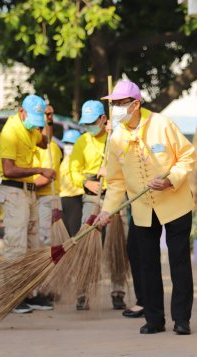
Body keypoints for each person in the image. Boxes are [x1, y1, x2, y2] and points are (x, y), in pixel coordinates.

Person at [95, 79, 195, 336]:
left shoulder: (162, 124)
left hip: (175, 203)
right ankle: (154, 319)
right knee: (147, 265)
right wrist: (107, 210)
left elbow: (187, 155)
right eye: (113, 104)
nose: (115, 108)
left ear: (136, 104)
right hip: (142, 209)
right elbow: (116, 181)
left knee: (179, 263)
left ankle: (182, 319)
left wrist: (170, 179)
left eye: (119, 103)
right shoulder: (116, 137)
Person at [0, 94, 56, 314]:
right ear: (21, 112)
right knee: (16, 245)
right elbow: (9, 169)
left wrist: (48, 122)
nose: (36, 123)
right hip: (14, 192)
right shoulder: (10, 132)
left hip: (28, 193)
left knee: (33, 245)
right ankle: (13, 295)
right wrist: (40, 170)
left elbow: (45, 142)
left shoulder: (31, 127)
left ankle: (30, 293)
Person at [70, 100, 127, 310]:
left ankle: (118, 291)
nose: (89, 127)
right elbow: (73, 170)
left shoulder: (117, 137)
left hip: (115, 196)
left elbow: (128, 163)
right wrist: (86, 182)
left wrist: (110, 170)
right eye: (86, 124)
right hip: (92, 198)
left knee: (117, 245)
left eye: (92, 122)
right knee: (86, 243)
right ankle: (83, 292)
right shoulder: (81, 142)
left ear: (104, 119)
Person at [33, 104, 62, 247]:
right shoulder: (32, 147)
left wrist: (26, 186)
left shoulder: (53, 148)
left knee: (46, 239)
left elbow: (47, 176)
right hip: (34, 197)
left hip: (47, 198)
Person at [59, 129, 83, 236]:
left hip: (76, 198)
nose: (68, 146)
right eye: (66, 143)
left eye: (71, 143)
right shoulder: (64, 159)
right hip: (63, 199)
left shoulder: (80, 158)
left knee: (75, 232)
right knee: (66, 233)